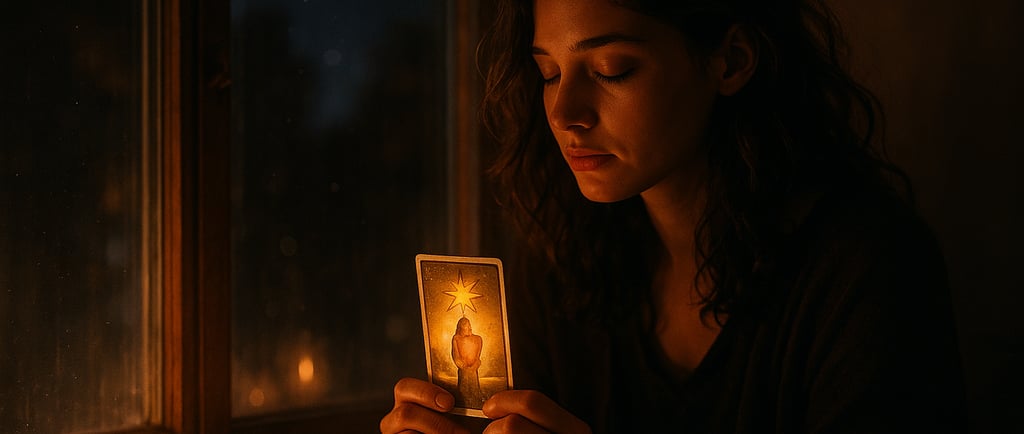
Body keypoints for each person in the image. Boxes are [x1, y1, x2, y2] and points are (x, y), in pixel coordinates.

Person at [382, 0, 967, 432]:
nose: (564, 112)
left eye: (611, 69)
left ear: (730, 61)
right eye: (549, 74)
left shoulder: (865, 268)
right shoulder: (564, 263)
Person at [452, 317, 484, 408]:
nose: (467, 326)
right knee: (463, 389)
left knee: (474, 389)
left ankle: (476, 399)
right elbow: (455, 355)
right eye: (464, 325)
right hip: (463, 368)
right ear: (459, 327)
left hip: (473, 368)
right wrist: (461, 365)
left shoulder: (478, 339)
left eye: (468, 324)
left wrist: (475, 365)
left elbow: (477, 356)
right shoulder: (456, 338)